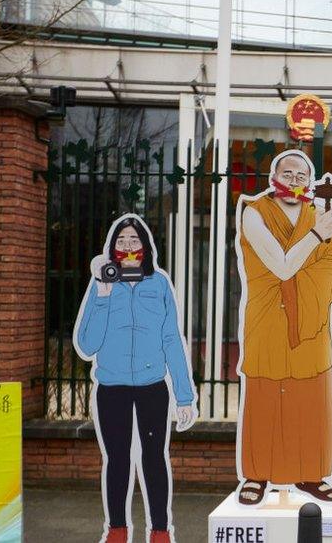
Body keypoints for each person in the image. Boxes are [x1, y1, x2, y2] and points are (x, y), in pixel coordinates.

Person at [234, 149, 332, 506]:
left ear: (309, 179)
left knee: (311, 400)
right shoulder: (254, 213)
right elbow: (282, 266)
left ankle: (311, 475)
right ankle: (256, 475)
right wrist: (316, 236)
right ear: (273, 175)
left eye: (301, 176)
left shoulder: (318, 211)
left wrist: (311, 290)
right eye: (287, 174)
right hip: (267, 319)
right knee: (264, 397)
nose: (294, 181)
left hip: (311, 321)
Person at [74, 215, 197, 543]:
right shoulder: (102, 284)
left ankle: (160, 531)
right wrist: (101, 295)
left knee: (154, 459)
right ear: (112, 248)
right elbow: (87, 345)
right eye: (121, 241)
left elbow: (172, 339)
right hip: (111, 388)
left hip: (152, 387)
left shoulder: (158, 284)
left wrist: (184, 397)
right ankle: (117, 529)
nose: (127, 246)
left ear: (145, 245)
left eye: (133, 240)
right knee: (117, 459)